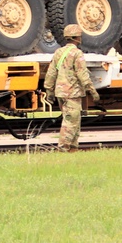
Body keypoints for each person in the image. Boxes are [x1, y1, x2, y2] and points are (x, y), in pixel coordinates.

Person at [43, 24, 100, 152]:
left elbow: (51, 72)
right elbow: (82, 74)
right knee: (70, 122)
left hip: (60, 93)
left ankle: (73, 148)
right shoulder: (77, 53)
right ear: (77, 38)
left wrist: (49, 89)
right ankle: (63, 148)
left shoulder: (59, 52)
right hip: (72, 93)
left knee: (74, 120)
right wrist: (92, 90)